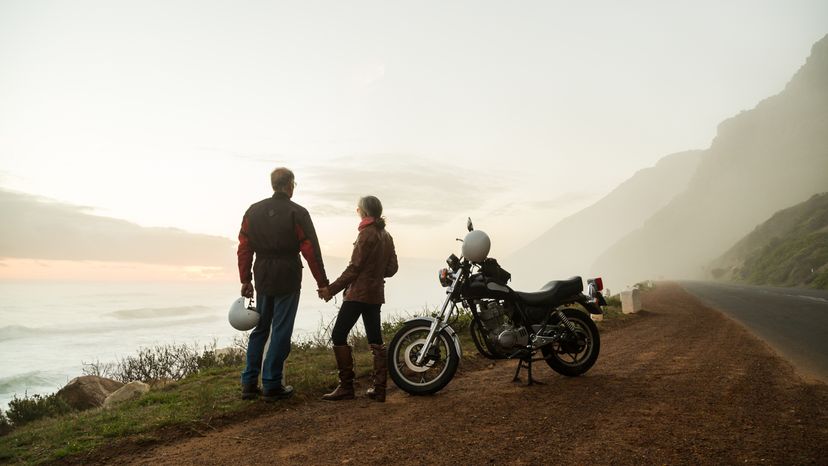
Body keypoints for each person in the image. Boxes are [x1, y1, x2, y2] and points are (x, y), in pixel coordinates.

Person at [237, 167, 329, 401]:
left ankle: (249, 383)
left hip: (263, 274)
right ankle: (271, 383)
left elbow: (244, 247)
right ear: (290, 185)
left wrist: (245, 279)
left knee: (261, 328)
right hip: (287, 274)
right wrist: (322, 282)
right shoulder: (297, 212)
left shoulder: (253, 211)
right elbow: (310, 250)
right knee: (281, 329)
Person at [319, 195, 398, 402]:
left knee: (338, 335)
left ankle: (346, 386)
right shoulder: (386, 235)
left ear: (363, 211)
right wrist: (375, 272)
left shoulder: (366, 234)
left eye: (357, 209)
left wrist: (331, 290)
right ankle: (379, 388)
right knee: (375, 341)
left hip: (358, 294)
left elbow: (354, 268)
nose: (357, 211)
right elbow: (392, 268)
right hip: (375, 294)